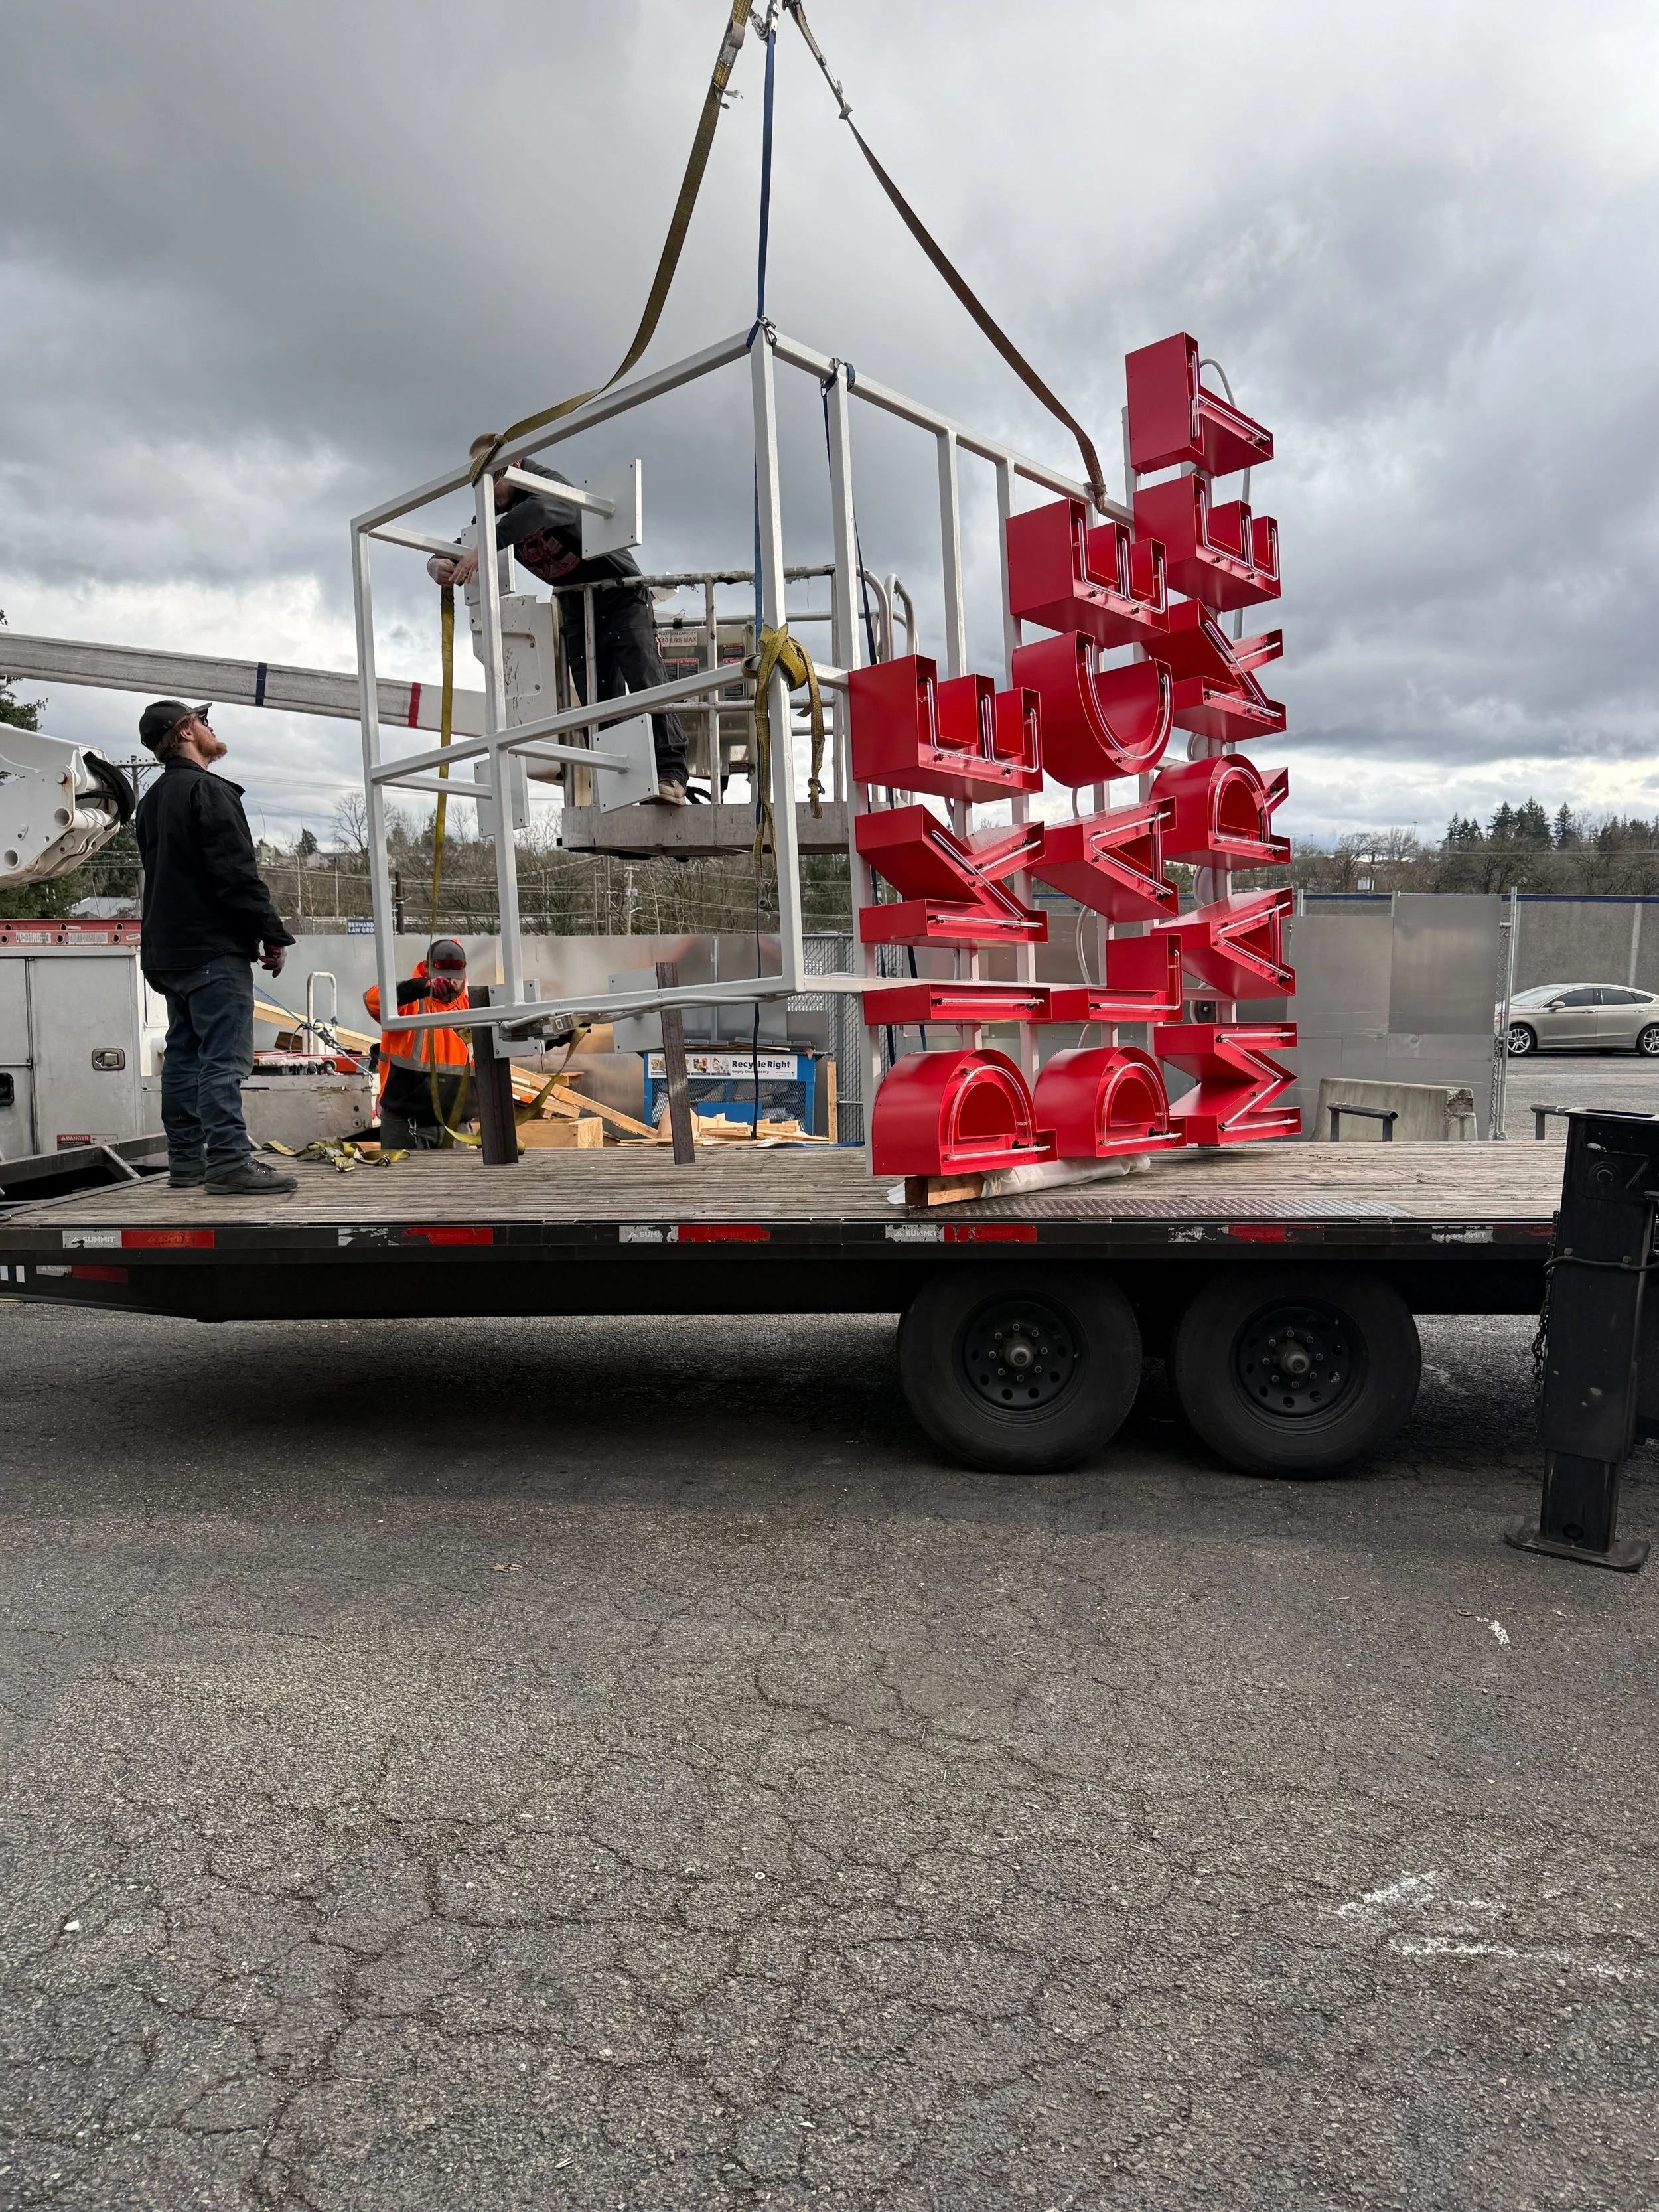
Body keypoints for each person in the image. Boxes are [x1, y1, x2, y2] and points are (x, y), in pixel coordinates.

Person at [428, 440, 691, 806]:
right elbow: (467, 544)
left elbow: (547, 508)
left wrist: (489, 541)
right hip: (577, 605)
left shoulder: (545, 483)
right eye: (479, 480)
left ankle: (671, 774)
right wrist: (439, 563)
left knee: (645, 678)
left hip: (619, 593)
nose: (488, 487)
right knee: (597, 699)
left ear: (515, 465)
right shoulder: (491, 517)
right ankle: (625, 781)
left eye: (495, 474)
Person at [133, 701, 298, 1196]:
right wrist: (273, 932)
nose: (212, 728)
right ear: (186, 732)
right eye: (204, 721)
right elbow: (234, 874)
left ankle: (187, 1161)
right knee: (224, 1060)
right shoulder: (208, 791)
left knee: (184, 1054)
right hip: (211, 949)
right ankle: (228, 1161)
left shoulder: (152, 800)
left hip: (168, 951)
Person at [364, 939, 473, 1149]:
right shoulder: (409, 1005)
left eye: (456, 980)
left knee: (462, 1182)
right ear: (428, 971)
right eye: (445, 979)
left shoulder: (469, 1008)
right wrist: (421, 988)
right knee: (404, 1182)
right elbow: (372, 999)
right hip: (407, 1125)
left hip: (457, 1126)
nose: (451, 985)